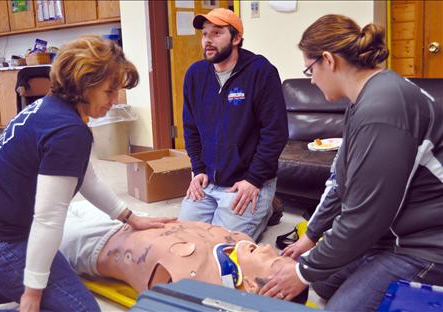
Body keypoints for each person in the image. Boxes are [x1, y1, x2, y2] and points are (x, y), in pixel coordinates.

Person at [0, 36, 174, 311]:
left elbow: (85, 178)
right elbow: (48, 219)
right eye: (109, 92)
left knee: (8, 281)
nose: (115, 101)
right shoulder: (68, 130)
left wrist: (129, 217)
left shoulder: (48, 108)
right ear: (84, 86)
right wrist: (33, 293)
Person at [258, 14, 443, 311]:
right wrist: (311, 237)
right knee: (324, 281)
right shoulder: (363, 101)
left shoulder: (384, 107)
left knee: (335, 302)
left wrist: (302, 271)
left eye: (310, 70)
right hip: (393, 232)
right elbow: (341, 184)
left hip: (427, 246)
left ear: (329, 60)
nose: (312, 80)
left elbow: (364, 217)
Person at [179, 8, 288, 241]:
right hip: (208, 181)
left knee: (222, 247)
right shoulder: (195, 75)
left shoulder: (261, 72)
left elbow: (275, 133)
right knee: (183, 239)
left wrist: (254, 180)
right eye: (205, 33)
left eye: (217, 33)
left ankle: (266, 208)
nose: (208, 40)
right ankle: (262, 209)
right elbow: (190, 127)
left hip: (245, 181)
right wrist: (197, 169)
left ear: (236, 38)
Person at [59, 203, 307, 304]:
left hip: (96, 243)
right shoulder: (242, 242)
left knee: (35, 217)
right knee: (69, 199)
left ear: (252, 285)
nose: (267, 247)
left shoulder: (197, 285)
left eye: (272, 261)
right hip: (128, 217)